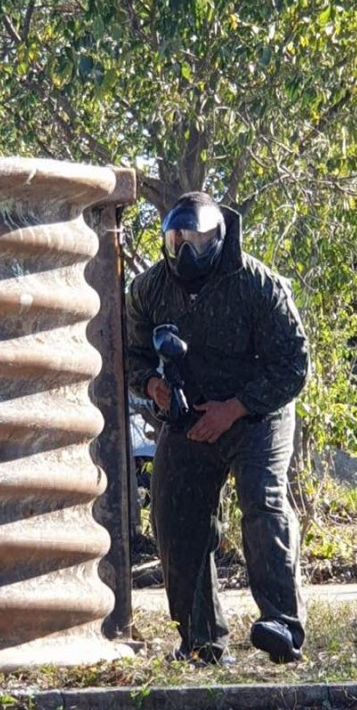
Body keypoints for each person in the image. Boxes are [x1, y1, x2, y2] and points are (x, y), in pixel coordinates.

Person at [126, 191, 310, 666]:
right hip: (188, 416)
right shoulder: (150, 289)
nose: (185, 247)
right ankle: (201, 640)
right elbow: (129, 352)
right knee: (172, 514)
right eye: (176, 237)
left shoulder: (256, 284)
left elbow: (294, 365)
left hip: (256, 414)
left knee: (262, 501)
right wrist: (153, 385)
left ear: (218, 237)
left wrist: (234, 408)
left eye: (196, 238)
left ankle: (283, 626)